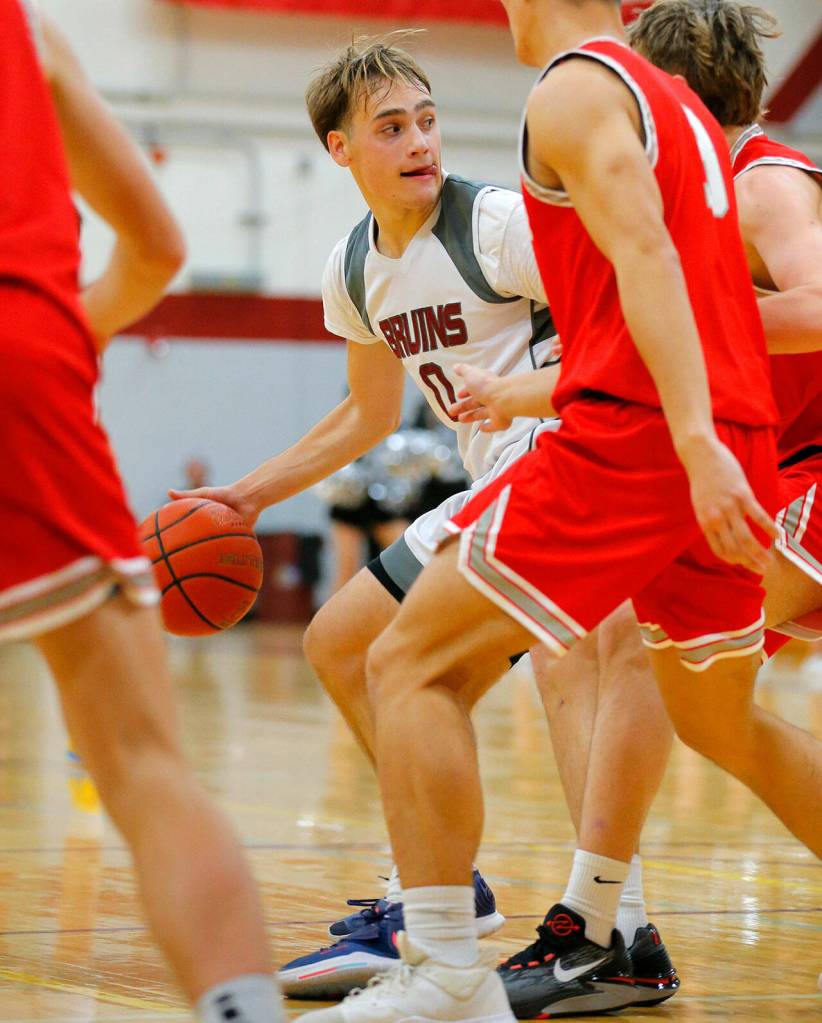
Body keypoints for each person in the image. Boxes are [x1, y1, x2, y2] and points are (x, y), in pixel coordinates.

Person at [298, 0, 822, 1020]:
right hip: (722, 440)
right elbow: (635, 313)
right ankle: (601, 925)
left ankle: (459, 965)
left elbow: (653, 273)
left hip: (660, 445)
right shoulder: (666, 111)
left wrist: (691, 435)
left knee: (403, 660)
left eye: (420, 120)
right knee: (718, 721)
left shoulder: (585, 94)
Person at [170, 34, 570, 999]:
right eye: (391, 127)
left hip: (555, 465)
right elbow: (367, 414)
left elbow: (624, 336)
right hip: (494, 484)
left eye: (427, 120)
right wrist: (250, 495)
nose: (419, 141)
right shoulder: (355, 268)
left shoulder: (502, 225)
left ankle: (439, 915)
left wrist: (527, 399)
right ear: (340, 149)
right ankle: (441, 895)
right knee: (357, 653)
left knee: (362, 648)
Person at [1, 3, 284, 1019]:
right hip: (24, 350)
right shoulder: (27, 34)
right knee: (143, 766)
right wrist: (54, 343)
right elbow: (156, 247)